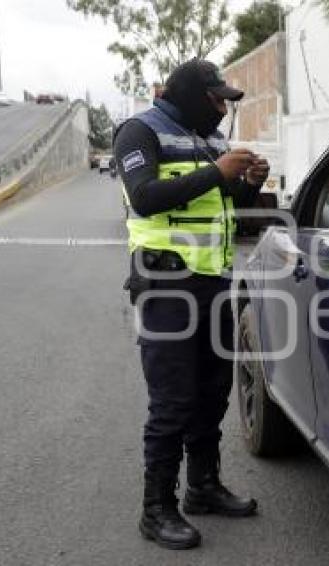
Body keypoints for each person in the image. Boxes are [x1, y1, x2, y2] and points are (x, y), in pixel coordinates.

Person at [113, 59, 270, 550]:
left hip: (215, 282)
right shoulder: (139, 132)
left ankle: (202, 487)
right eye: (216, 100)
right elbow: (145, 197)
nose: (223, 109)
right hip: (167, 286)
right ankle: (156, 508)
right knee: (173, 401)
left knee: (212, 392)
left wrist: (248, 184)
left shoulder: (211, 142)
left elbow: (224, 211)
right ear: (187, 96)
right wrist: (215, 171)